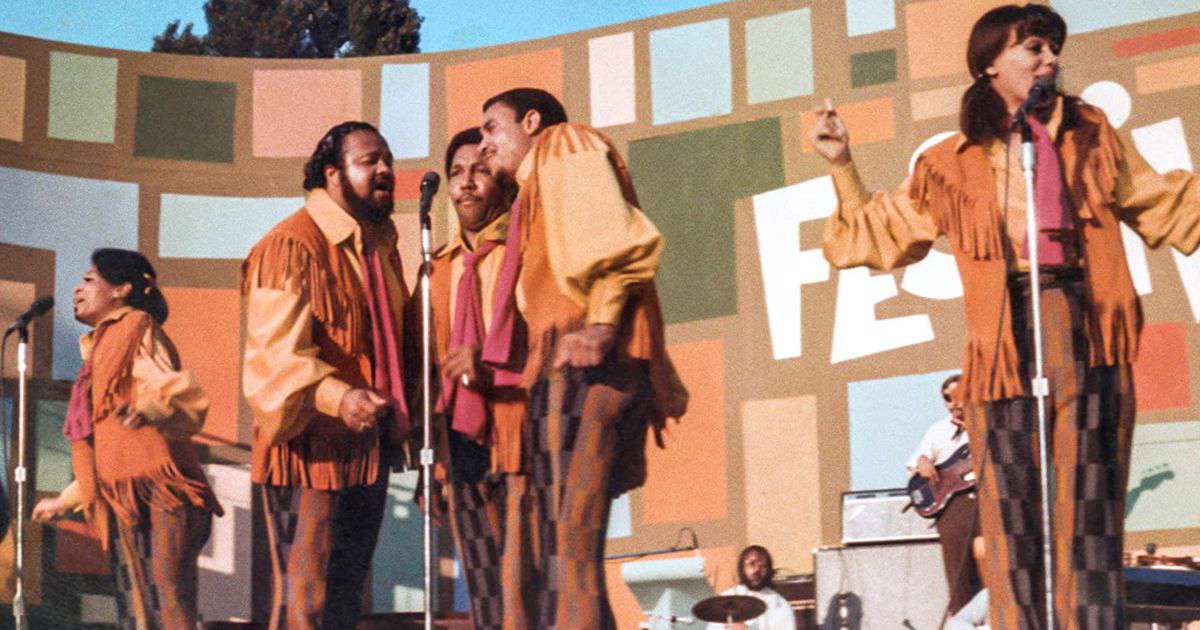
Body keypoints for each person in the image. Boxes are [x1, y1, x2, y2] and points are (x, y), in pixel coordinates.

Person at [811, 4, 1200, 627]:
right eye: (1034, 48)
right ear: (990, 64)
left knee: (1088, 511)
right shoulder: (951, 161)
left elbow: (1162, 204)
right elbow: (881, 235)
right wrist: (841, 165)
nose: (1050, 59)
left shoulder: (1091, 134)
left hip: (1085, 326)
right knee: (1011, 517)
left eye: (1053, 49)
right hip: (1003, 340)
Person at [476, 88, 688, 630]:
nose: (483, 145)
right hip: (566, 365)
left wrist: (601, 323)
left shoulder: (563, 143)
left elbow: (612, 238)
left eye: (491, 128)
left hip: (584, 361)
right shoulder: (532, 189)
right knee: (568, 556)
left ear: (531, 121)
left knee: (569, 553)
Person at [241, 121, 411, 630]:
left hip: (367, 450)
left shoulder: (379, 248)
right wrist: (340, 397)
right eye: (369, 161)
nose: (384, 170)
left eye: (388, 159)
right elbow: (272, 358)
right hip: (307, 449)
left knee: (342, 605)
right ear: (332, 174)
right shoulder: (290, 244)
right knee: (304, 604)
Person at [32, 248, 222, 629]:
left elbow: (174, 388)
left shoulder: (136, 326)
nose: (77, 289)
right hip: (126, 497)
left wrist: (148, 407)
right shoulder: (98, 349)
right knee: (143, 609)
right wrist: (65, 500)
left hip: (163, 492)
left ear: (121, 290)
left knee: (168, 598)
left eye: (89, 280)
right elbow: (106, 451)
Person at [417, 127, 522, 630]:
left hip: (517, 434)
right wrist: (430, 468)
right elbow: (426, 373)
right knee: (483, 588)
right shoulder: (437, 269)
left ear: (502, 181)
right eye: (456, 172)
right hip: (459, 446)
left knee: (526, 585)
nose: (466, 183)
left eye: (480, 170)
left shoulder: (526, 252)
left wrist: (493, 365)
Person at [905, 374, 981, 614]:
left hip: (986, 501)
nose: (954, 403)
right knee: (958, 575)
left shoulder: (988, 423)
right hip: (953, 508)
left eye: (958, 396)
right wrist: (923, 461)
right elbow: (916, 464)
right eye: (948, 399)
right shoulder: (937, 430)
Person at [704, 546, 796, 630]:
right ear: (742, 567)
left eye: (763, 566)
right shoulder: (726, 598)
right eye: (751, 564)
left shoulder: (779, 604)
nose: (757, 570)